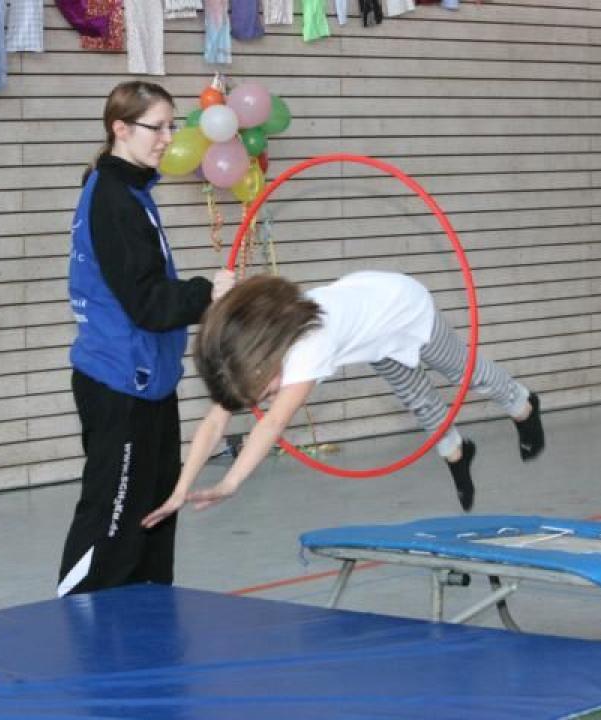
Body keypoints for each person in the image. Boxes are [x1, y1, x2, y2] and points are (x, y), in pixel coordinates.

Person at [142, 271, 544, 529]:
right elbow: (216, 420)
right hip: (370, 328)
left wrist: (230, 482)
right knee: (417, 399)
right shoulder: (252, 347)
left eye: (263, 393)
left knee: (464, 373)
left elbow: (273, 424)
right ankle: (458, 454)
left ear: (267, 364)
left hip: (403, 308)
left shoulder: (308, 351)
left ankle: (523, 405)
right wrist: (180, 490)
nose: (265, 399)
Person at [58, 81, 233, 597]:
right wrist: (207, 292)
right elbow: (148, 303)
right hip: (118, 382)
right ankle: (76, 621)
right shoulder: (112, 199)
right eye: (157, 127)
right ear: (120, 128)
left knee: (154, 518)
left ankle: (146, 626)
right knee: (110, 524)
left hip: (150, 381)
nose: (169, 138)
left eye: (172, 126)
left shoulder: (133, 193)